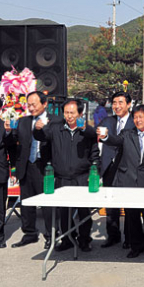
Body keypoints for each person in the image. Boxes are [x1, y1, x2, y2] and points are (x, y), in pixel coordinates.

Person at [98, 104, 144, 258]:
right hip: (128, 181)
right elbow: (114, 140)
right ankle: (136, 246)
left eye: (141, 117)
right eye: (135, 117)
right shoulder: (127, 134)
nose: (137, 120)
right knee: (132, 216)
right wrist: (106, 137)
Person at [34, 99, 100, 252]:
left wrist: (95, 171)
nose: (69, 116)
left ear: (80, 113)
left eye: (72, 113)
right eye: (66, 113)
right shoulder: (56, 129)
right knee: (64, 211)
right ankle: (67, 238)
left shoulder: (86, 131)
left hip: (81, 176)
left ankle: (84, 239)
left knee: (84, 210)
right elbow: (41, 136)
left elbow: (94, 153)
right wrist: (37, 129)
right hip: (62, 176)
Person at [5, 91, 60, 250]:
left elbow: (54, 141)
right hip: (26, 166)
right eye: (28, 105)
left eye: (34, 104)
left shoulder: (54, 121)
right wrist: (9, 131)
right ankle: (29, 233)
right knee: (26, 202)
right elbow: (12, 143)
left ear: (44, 104)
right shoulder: (23, 121)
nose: (30, 108)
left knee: (47, 204)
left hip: (45, 167)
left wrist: (43, 130)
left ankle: (51, 235)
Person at [98, 91, 134, 249]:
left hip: (127, 168)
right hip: (109, 167)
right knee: (111, 204)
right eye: (114, 103)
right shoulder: (107, 120)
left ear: (129, 104)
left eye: (120, 102)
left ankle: (129, 237)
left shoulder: (135, 122)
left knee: (128, 204)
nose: (117, 106)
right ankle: (113, 235)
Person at [0, 119, 8, 248]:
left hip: (0, 171)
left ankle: (0, 236)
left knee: (0, 205)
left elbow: (11, 147)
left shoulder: (4, 125)